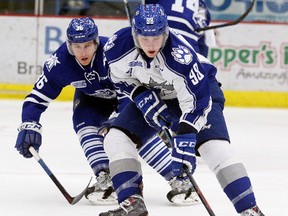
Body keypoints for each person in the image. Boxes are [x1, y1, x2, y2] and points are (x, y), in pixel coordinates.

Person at [101, 4, 265, 216]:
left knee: (213, 148)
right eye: (145, 38)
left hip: (200, 93)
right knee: (115, 138)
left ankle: (249, 210)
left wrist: (186, 135)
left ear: (165, 31)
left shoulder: (180, 56)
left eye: (157, 38)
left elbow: (197, 101)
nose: (151, 45)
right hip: (158, 91)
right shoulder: (116, 48)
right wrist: (139, 94)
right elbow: (119, 78)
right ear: (135, 34)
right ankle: (132, 202)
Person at [13, 16, 193, 206]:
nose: (82, 52)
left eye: (87, 45)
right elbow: (36, 98)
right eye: (77, 46)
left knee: (131, 133)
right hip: (91, 99)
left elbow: (131, 88)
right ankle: (106, 178)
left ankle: (180, 180)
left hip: (128, 95)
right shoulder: (59, 63)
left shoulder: (113, 54)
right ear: (69, 45)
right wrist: (29, 124)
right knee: (83, 123)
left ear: (96, 43)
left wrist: (119, 119)